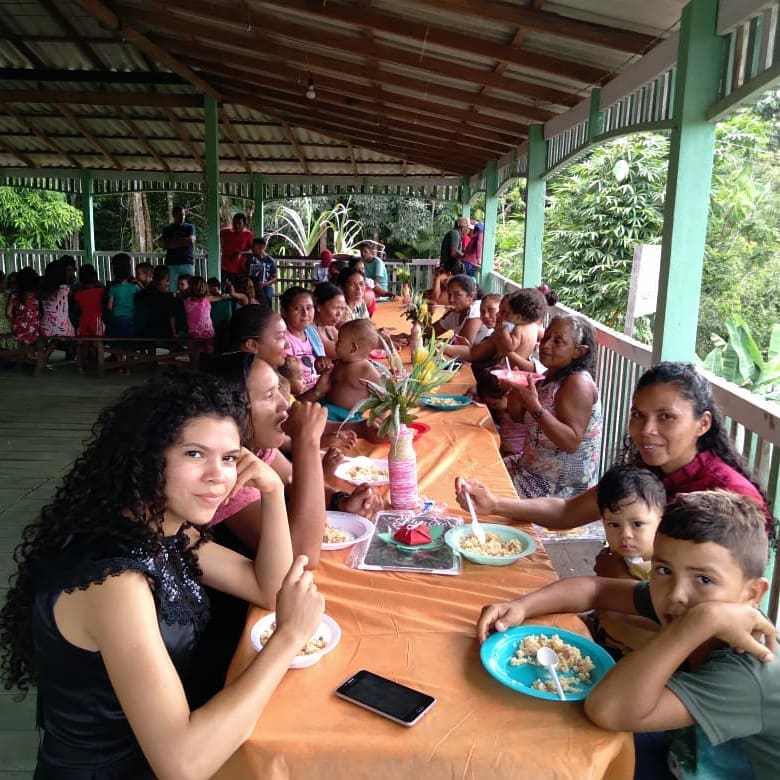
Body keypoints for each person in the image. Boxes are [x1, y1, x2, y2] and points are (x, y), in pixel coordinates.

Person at [0, 372, 323, 779]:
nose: (218, 475)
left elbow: (269, 589)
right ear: (147, 457)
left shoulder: (164, 528)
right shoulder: (115, 582)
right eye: (194, 454)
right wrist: (289, 638)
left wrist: (273, 493)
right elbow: (182, 765)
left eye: (228, 457)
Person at [477, 491, 778, 780]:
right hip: (681, 750)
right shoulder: (689, 602)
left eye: (704, 579)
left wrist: (700, 620)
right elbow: (595, 589)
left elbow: (608, 710)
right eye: (663, 570)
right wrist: (520, 606)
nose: (677, 594)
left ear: (752, 594)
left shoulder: (748, 670)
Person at [456, 362, 769, 530]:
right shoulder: (644, 472)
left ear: (703, 423)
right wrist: (495, 504)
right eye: (638, 415)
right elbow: (567, 511)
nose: (647, 430)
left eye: (666, 417)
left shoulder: (730, 496)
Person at [499, 314, 603, 498]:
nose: (545, 345)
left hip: (557, 489)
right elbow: (518, 417)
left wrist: (535, 407)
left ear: (579, 351)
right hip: (529, 469)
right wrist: (516, 391)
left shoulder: (578, 383)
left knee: (478, 487)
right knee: (478, 466)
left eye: (558, 342)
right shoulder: (550, 375)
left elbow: (571, 442)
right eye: (546, 337)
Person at [587, 465, 666, 658]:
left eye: (637, 524)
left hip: (637, 657)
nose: (625, 535)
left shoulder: (665, 568)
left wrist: (621, 613)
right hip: (604, 636)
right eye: (613, 525)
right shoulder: (617, 557)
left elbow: (667, 618)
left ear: (662, 520)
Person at [321, 319, 381, 423]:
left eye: (339, 341)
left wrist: (379, 418)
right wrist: (322, 366)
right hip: (327, 404)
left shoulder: (367, 370)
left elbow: (382, 395)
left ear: (353, 348)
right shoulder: (339, 362)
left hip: (348, 416)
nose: (335, 343)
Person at [280, 286, 321, 392]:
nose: (305, 314)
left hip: (315, 386)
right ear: (284, 312)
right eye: (297, 308)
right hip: (298, 393)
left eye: (309, 308)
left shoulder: (312, 333)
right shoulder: (284, 340)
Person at [430, 273, 482, 346]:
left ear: (470, 296)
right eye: (449, 294)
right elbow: (429, 333)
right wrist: (429, 313)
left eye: (457, 295)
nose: (451, 300)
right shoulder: (455, 313)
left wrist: (440, 344)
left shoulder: (477, 308)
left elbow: (463, 346)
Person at [72, 265, 106, 372]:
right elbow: (106, 292)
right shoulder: (100, 291)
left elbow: (77, 308)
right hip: (96, 320)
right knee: (98, 343)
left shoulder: (78, 294)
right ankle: (100, 366)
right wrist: (100, 284)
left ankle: (82, 366)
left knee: (84, 344)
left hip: (83, 321)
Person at [160, 205, 196, 292]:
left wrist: (174, 241)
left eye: (183, 215)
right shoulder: (167, 229)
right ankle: (175, 305)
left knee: (189, 289)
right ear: (173, 215)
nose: (182, 217)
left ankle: (188, 305)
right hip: (172, 263)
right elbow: (166, 244)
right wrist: (183, 242)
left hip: (187, 262)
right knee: (172, 289)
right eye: (179, 215)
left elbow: (191, 241)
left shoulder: (189, 227)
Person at [8, 266, 40, 348]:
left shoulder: (14, 296)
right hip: (34, 328)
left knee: (21, 344)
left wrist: (15, 320)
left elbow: (8, 313)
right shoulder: (36, 296)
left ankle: (23, 355)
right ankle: (30, 355)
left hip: (18, 328)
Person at [312, 282, 346, 359]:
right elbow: (338, 354)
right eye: (335, 308)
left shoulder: (328, 326)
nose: (339, 314)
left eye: (342, 309)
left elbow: (345, 343)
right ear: (319, 306)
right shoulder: (313, 330)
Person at [219, 212, 253, 284]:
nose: (237, 225)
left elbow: (253, 250)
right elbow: (216, 241)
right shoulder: (224, 231)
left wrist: (241, 253)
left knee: (236, 291)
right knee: (220, 288)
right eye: (234, 223)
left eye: (239, 223)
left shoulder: (248, 234)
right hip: (224, 266)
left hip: (239, 269)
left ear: (244, 224)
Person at [246, 236, 277, 308]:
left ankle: (267, 315)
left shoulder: (270, 260)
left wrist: (265, 284)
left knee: (267, 296)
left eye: (254, 246)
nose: (252, 248)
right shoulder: (250, 258)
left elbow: (275, 278)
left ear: (261, 247)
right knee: (248, 297)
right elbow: (246, 273)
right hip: (252, 285)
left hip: (266, 285)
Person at [183, 276, 216, 342]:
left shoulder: (186, 301)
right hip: (208, 333)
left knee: (195, 350)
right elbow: (220, 297)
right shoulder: (207, 299)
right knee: (209, 350)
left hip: (193, 334)